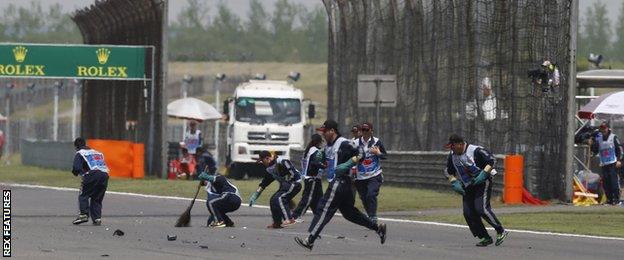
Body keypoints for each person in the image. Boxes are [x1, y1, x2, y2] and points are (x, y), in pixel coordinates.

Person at [294, 119, 386, 250]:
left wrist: (349, 164)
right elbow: (325, 160)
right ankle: (378, 228)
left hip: (340, 181)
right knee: (349, 214)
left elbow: (362, 153)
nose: (323, 134)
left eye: (325, 132)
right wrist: (320, 158)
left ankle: (310, 240)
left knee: (323, 208)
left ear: (332, 131)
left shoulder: (344, 143)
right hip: (342, 185)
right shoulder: (328, 146)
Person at [444, 134, 508, 246]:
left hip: (482, 183)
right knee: (468, 213)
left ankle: (500, 230)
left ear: (460, 144)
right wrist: (454, 181)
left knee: (481, 209)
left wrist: (484, 173)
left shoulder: (475, 150)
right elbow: (448, 171)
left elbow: (492, 160)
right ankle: (484, 237)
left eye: (453, 146)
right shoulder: (452, 155)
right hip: (467, 186)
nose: (452, 149)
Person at [249, 151, 302, 228]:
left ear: (267, 158)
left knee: (279, 198)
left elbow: (294, 173)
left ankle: (289, 219)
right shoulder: (269, 169)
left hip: (294, 183)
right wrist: (256, 194)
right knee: (273, 200)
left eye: (262, 161)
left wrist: (287, 181)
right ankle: (277, 223)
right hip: (285, 186)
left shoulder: (282, 161)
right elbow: (264, 183)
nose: (262, 163)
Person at [71, 137, 110, 226]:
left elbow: (76, 168)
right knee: (97, 197)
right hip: (105, 174)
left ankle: (84, 215)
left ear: (76, 146)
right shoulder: (97, 152)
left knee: (83, 194)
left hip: (92, 174)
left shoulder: (80, 153)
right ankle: (97, 218)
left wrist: (77, 173)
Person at [354, 122, 387, 223]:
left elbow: (385, 156)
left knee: (370, 194)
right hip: (360, 176)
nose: (364, 132)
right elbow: (349, 157)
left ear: (371, 131)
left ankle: (373, 216)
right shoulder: (355, 143)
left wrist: (378, 153)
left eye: (366, 130)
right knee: (364, 197)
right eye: (362, 130)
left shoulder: (376, 142)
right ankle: (370, 215)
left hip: (374, 174)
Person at [292, 134, 326, 222]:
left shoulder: (309, 150)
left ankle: (318, 216)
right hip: (312, 178)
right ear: (319, 142)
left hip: (312, 178)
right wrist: (324, 165)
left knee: (318, 198)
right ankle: (295, 216)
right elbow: (315, 163)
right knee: (307, 198)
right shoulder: (315, 151)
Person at [590, 122, 622, 205]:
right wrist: (591, 144)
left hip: (613, 163)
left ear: (608, 128)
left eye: (604, 128)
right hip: (604, 163)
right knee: (606, 182)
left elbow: (619, 150)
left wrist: (619, 160)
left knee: (613, 182)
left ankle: (616, 199)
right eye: (601, 128)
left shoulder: (613, 137)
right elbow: (595, 150)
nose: (603, 130)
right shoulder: (599, 139)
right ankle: (609, 199)